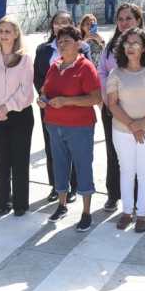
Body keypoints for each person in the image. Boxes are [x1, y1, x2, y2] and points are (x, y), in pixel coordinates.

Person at [98, 3, 145, 213]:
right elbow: (102, 72)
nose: (124, 23)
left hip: (143, 115)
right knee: (115, 156)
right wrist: (108, 101)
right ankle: (114, 195)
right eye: (121, 19)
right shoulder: (110, 45)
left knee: (140, 163)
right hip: (114, 110)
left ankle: (137, 201)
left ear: (138, 20)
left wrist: (142, 120)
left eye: (129, 18)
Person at [39, 26, 102, 231]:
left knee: (83, 166)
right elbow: (45, 90)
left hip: (79, 127)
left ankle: (86, 212)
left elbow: (95, 98)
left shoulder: (85, 67)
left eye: (67, 40)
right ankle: (62, 204)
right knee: (60, 165)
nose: (62, 44)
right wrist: (42, 100)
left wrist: (66, 101)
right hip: (54, 125)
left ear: (78, 44)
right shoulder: (55, 66)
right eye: (60, 41)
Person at [105, 27, 145, 233]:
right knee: (127, 171)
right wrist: (132, 125)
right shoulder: (116, 72)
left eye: (135, 43)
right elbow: (112, 104)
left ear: (143, 48)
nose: (130, 47)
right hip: (123, 131)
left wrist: (141, 124)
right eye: (127, 43)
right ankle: (126, 211)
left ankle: (142, 213)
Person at [0, 16, 35, 216]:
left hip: (20, 115)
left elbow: (26, 91)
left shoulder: (25, 60)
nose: (4, 35)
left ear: (16, 34)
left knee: (19, 161)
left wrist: (7, 107)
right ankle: (3, 202)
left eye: (8, 31)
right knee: (1, 160)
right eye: (1, 31)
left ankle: (20, 203)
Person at [34, 11, 86, 203]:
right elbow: (38, 75)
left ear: (72, 25)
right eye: (57, 22)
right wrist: (44, 95)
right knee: (52, 148)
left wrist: (68, 98)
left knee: (72, 148)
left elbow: (85, 73)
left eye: (65, 22)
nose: (60, 25)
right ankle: (57, 186)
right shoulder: (43, 49)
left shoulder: (83, 47)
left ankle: (73, 187)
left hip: (73, 106)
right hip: (49, 106)